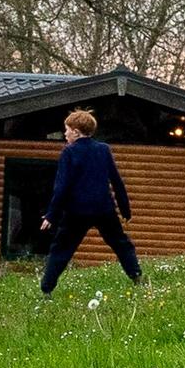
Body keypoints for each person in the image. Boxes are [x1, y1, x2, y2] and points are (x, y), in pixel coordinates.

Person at [37, 108, 143, 294]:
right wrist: (125, 209)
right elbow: (116, 181)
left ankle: (47, 289)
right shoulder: (103, 150)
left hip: (76, 211)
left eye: (67, 130)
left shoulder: (69, 153)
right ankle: (136, 276)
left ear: (76, 132)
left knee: (62, 249)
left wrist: (52, 215)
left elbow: (61, 187)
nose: (65, 133)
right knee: (121, 243)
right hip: (104, 208)